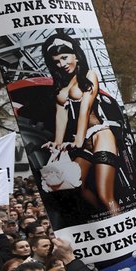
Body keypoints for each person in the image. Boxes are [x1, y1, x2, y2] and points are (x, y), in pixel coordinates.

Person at [40, 31, 122, 216]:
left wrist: (78, 141)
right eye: (57, 61)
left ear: (76, 55)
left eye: (64, 57)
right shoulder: (60, 87)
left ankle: (117, 223)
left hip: (100, 134)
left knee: (105, 194)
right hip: (82, 140)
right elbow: (61, 119)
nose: (62, 64)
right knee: (75, 187)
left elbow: (85, 109)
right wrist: (57, 144)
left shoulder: (89, 75)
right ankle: (104, 217)